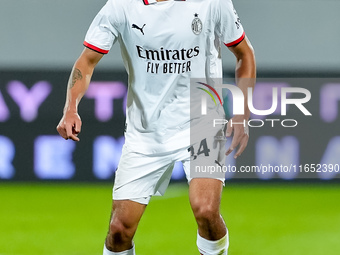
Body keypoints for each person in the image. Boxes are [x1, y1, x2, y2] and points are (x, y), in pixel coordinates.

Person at [57, 0, 256, 254]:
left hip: (203, 120)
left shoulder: (212, 2)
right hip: (146, 131)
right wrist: (70, 107)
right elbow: (86, 62)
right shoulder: (121, 6)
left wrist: (242, 111)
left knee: (205, 210)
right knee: (119, 230)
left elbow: (244, 53)